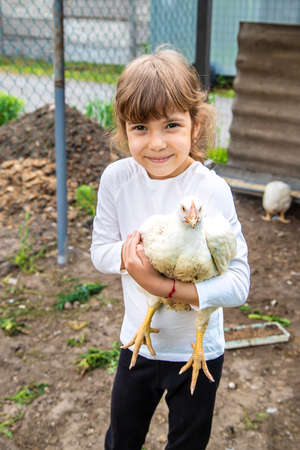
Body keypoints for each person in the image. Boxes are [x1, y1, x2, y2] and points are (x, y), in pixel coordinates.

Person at [91, 47, 250, 450]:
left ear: (196, 126)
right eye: (140, 127)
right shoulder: (117, 179)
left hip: (199, 349)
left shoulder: (211, 190)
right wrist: (135, 257)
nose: (156, 143)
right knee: (122, 439)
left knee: (187, 443)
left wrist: (167, 288)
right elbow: (101, 252)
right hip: (138, 343)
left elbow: (238, 282)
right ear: (124, 128)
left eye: (172, 125)